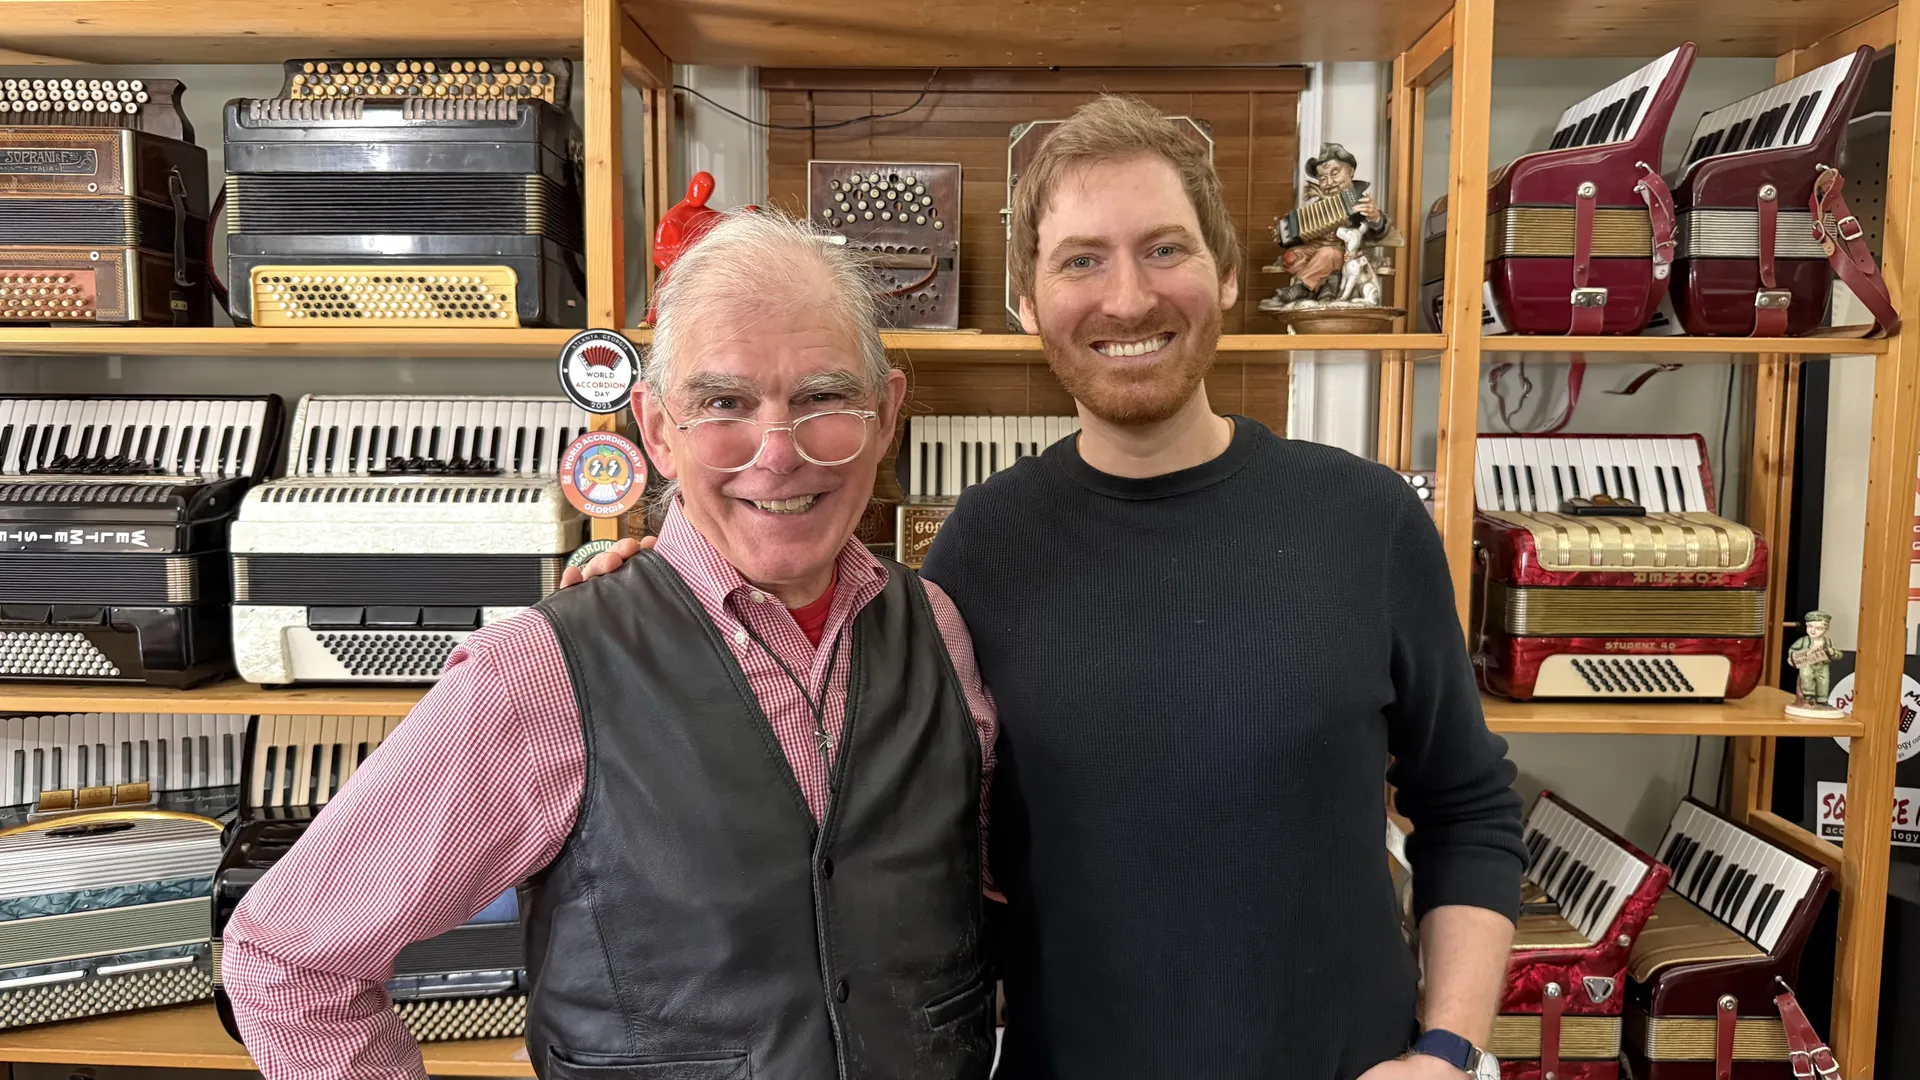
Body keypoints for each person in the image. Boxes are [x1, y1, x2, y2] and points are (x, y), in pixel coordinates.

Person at [571, 96, 1528, 1080]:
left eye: (1165, 249)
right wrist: (674, 595)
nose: (1126, 299)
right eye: (1081, 260)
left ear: (1228, 276)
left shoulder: (1367, 524)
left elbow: (1468, 808)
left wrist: (1448, 1052)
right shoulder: (979, 551)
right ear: (1028, 302)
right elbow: (824, 736)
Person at [220, 211, 1001, 1080]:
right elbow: (287, 959)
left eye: (823, 398)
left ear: (887, 413)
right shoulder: (539, 675)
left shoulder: (940, 628)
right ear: (658, 430)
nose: (777, 453)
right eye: (724, 404)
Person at [1271, 141, 1391, 304]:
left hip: (1344, 253)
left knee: (1327, 254)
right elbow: (1303, 231)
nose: (1330, 182)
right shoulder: (1319, 205)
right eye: (1323, 178)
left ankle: (1303, 287)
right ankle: (1322, 286)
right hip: (1315, 250)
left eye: (1335, 173)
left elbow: (1378, 231)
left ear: (1350, 171)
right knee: (1291, 257)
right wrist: (1283, 233)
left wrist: (1375, 217)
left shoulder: (1359, 202)